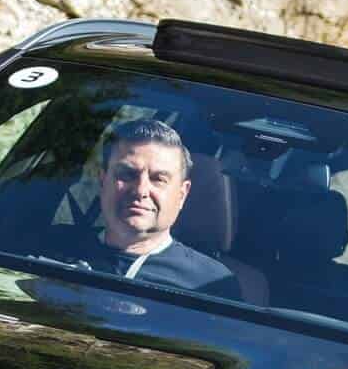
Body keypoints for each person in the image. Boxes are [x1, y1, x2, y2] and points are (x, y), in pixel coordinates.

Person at [70, 118, 239, 297]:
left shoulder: (211, 285)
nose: (141, 190)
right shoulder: (53, 248)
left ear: (182, 194)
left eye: (158, 179)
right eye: (127, 174)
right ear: (103, 181)